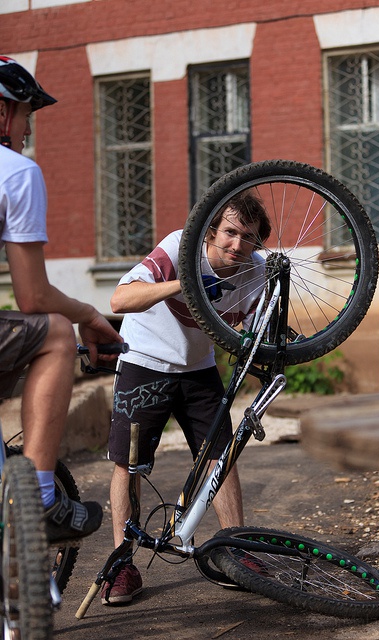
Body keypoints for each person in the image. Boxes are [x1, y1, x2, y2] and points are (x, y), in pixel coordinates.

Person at [102, 190, 271, 604]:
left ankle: (236, 549)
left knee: (220, 455)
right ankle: (122, 564)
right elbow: (120, 299)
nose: (237, 245)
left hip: (198, 369)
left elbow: (254, 332)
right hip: (145, 360)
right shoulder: (180, 247)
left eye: (248, 237)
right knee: (130, 464)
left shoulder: (258, 270)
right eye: (229, 232)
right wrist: (187, 284)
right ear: (210, 231)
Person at [0, 56, 123, 543]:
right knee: (52, 328)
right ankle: (43, 497)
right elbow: (32, 296)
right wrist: (89, 315)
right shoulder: (16, 172)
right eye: (28, 114)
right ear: (5, 112)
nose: (28, 130)